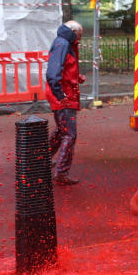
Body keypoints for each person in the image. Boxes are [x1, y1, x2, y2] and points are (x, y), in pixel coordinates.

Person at [45, 20, 85, 186]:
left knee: (63, 130)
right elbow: (53, 73)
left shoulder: (62, 42)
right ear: (74, 33)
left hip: (62, 93)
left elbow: (63, 69)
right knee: (69, 134)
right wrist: (60, 94)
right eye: (80, 35)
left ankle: (43, 159)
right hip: (63, 95)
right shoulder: (64, 44)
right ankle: (61, 171)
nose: (80, 39)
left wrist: (76, 78)